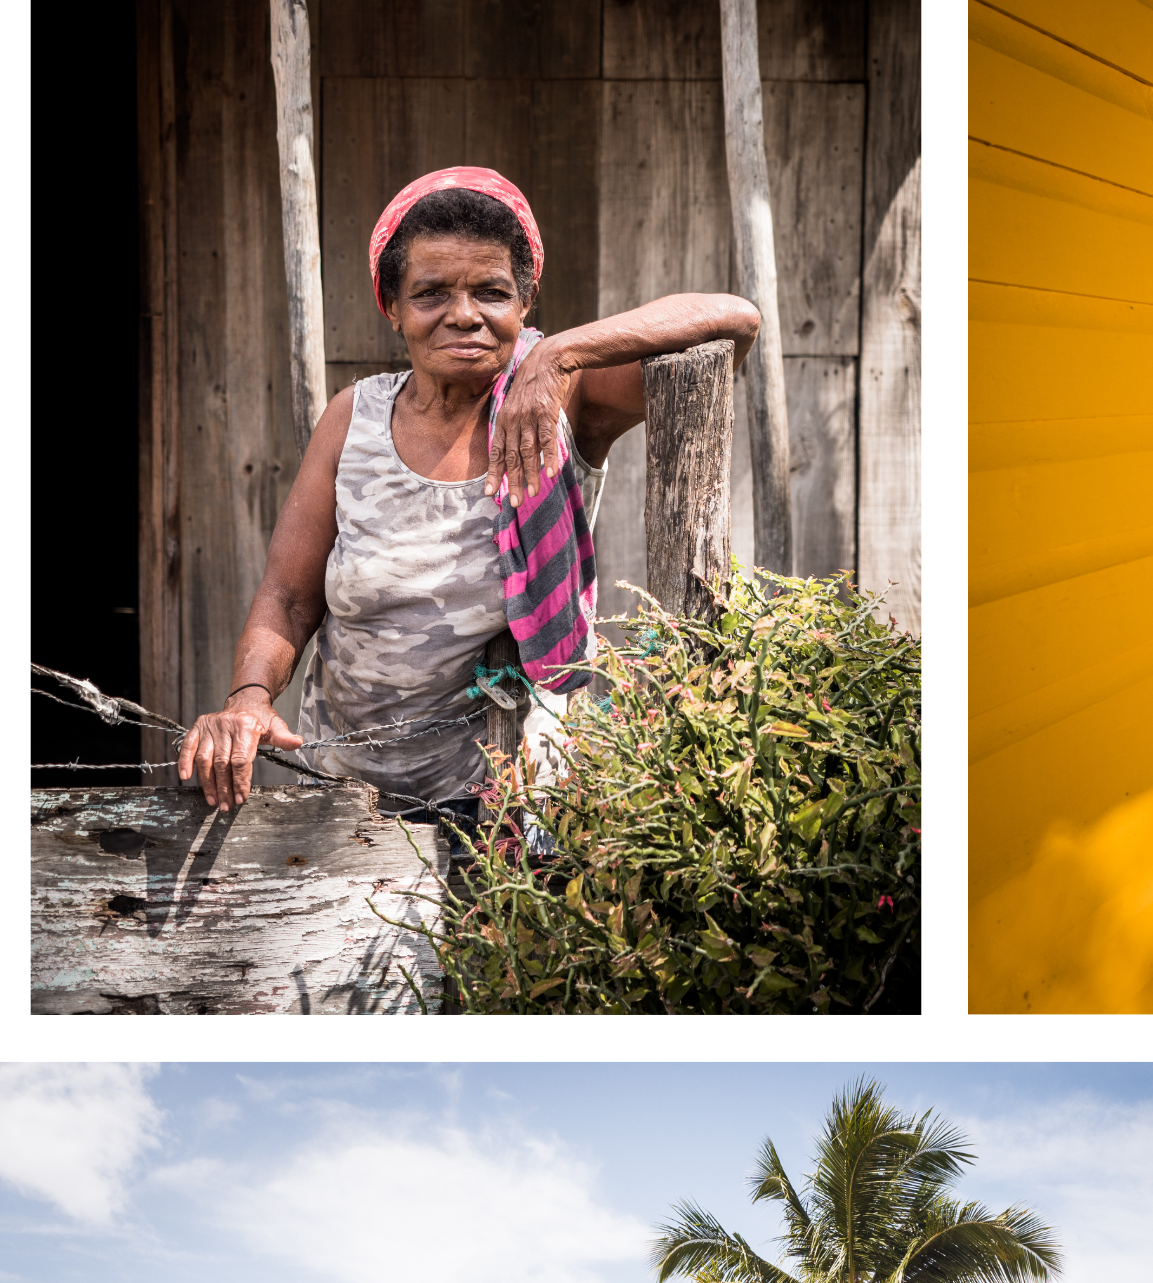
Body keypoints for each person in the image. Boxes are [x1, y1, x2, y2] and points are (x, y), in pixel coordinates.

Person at [176, 166, 760, 816]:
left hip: (493, 801)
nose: (464, 315)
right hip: (339, 792)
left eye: (491, 291)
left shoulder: (559, 399)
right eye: (430, 293)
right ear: (390, 306)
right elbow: (286, 597)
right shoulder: (354, 418)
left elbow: (734, 321)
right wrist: (249, 696)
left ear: (524, 303)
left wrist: (559, 353)